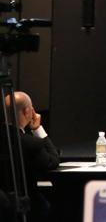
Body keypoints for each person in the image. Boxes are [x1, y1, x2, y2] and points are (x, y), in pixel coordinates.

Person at [2, 91, 59, 222]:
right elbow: (53, 161)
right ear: (27, 111)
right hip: (25, 207)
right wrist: (37, 129)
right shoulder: (30, 143)